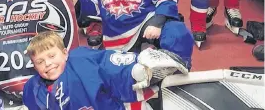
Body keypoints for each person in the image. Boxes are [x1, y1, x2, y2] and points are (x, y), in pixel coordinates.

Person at [22, 31, 189, 110]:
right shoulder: (32, 89)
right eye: (40, 61)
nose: (48, 64)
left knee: (107, 70)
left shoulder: (79, 60)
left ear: (65, 53)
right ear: (34, 66)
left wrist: (135, 70)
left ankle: (140, 69)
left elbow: (105, 63)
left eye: (52, 56)